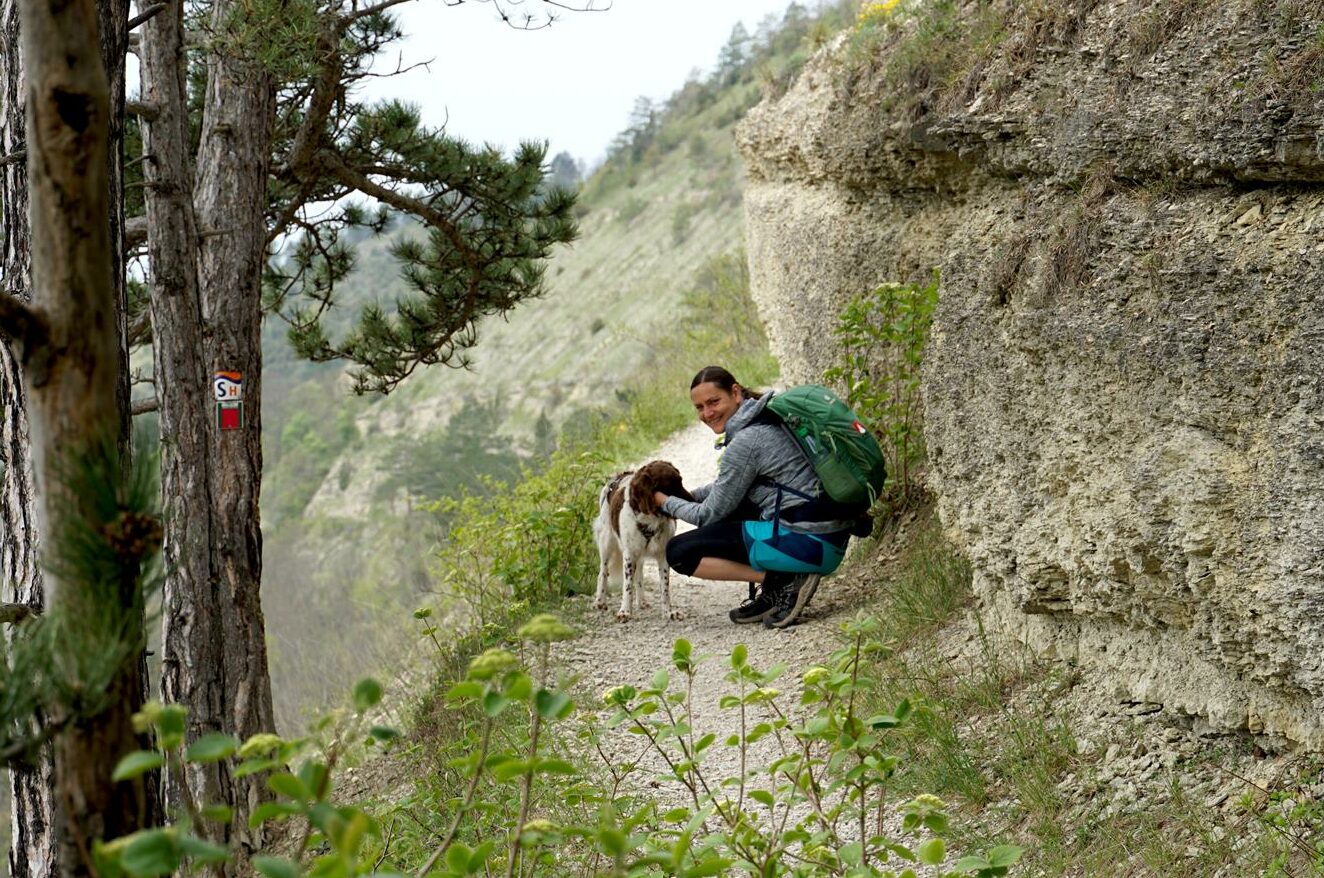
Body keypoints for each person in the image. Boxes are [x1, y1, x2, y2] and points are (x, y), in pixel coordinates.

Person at [652, 365, 854, 628]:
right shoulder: (767, 416)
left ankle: (781, 580)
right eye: (700, 407)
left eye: (713, 402)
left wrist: (663, 501)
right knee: (734, 507)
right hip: (828, 536)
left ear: (735, 392)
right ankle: (779, 584)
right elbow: (728, 487)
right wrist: (687, 496)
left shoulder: (747, 441)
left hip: (810, 544)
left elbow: (707, 514)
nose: (707, 413)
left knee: (679, 552)